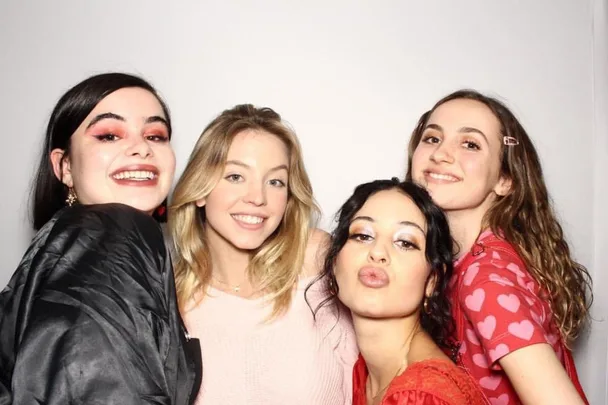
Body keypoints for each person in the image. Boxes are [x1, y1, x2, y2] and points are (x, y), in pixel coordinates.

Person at [0, 72, 201, 405]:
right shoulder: (116, 233)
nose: (141, 148)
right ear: (63, 166)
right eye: (109, 135)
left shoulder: (66, 244)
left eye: (155, 135)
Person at [407, 89, 592, 404]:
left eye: (470, 144)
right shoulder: (468, 262)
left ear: (505, 179)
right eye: (432, 138)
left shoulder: (486, 279)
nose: (440, 154)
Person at [168, 104, 358, 404]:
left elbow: (369, 378)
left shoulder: (314, 260)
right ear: (201, 189)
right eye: (235, 176)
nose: (257, 197)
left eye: (275, 182)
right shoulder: (171, 303)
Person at [313, 178, 488, 405]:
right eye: (363, 235)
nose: (378, 252)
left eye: (405, 242)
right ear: (335, 262)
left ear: (432, 281)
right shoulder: (360, 373)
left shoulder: (422, 396)